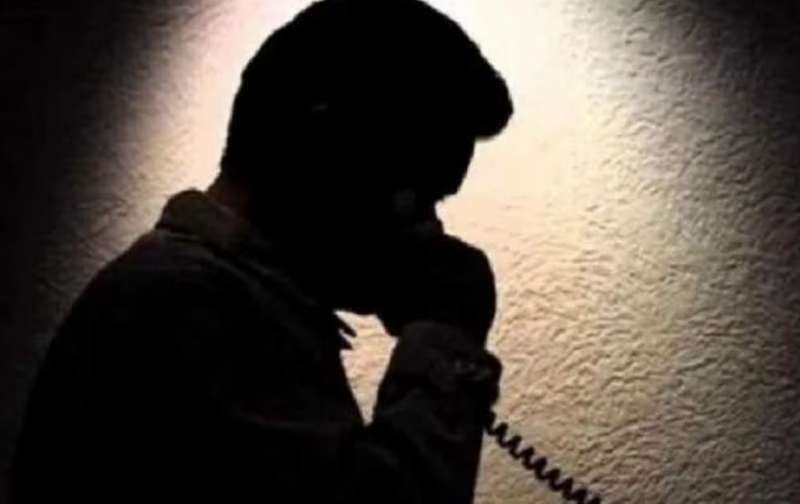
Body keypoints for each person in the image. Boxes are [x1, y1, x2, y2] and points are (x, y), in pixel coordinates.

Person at [12, 0, 513, 502]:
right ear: (324, 141)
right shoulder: (189, 308)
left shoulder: (214, 298)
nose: (427, 227)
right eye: (414, 188)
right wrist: (447, 336)